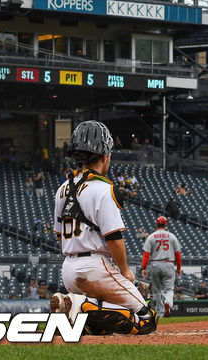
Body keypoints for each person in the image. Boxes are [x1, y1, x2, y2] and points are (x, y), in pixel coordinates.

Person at [50, 120, 157, 336]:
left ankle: (77, 306)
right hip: (95, 266)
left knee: (105, 320)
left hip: (68, 270)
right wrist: (125, 271)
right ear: (105, 155)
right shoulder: (103, 188)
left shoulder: (62, 188)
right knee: (147, 320)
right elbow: (114, 236)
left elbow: (58, 233)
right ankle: (81, 306)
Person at [141, 216, 182, 318]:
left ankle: (160, 312)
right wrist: (179, 268)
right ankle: (168, 302)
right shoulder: (172, 236)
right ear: (166, 224)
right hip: (168, 263)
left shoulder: (151, 236)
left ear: (157, 224)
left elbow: (146, 254)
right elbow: (177, 254)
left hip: (155, 264)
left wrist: (144, 268)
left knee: (157, 290)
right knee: (169, 289)